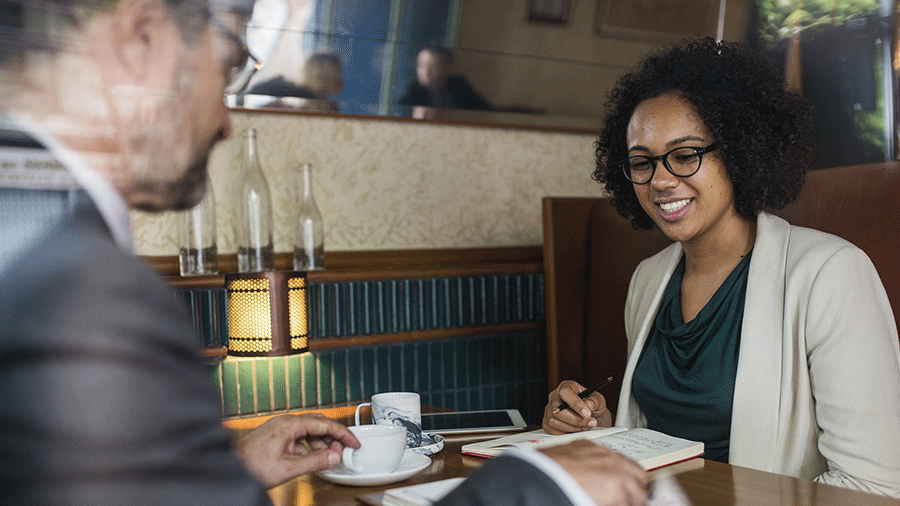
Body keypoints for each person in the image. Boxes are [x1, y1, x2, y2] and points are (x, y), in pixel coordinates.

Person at [0, 1, 649, 505]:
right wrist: (540, 486)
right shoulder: (80, 289)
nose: (227, 121)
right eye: (226, 65)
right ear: (143, 37)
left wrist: (225, 474)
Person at [542, 38, 900, 499]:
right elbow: (661, 440)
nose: (662, 180)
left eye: (686, 154)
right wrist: (595, 429)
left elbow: (873, 485)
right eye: (641, 163)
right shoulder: (648, 279)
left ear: (737, 149)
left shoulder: (831, 274)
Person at [397, 44, 491, 119]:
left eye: (432, 66)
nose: (425, 72)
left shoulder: (458, 85)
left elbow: (484, 109)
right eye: (421, 65)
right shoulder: (414, 88)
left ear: (446, 68)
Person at [244, 50, 344, 111]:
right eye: (338, 72)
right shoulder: (293, 97)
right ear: (323, 75)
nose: (341, 79)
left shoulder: (321, 104)